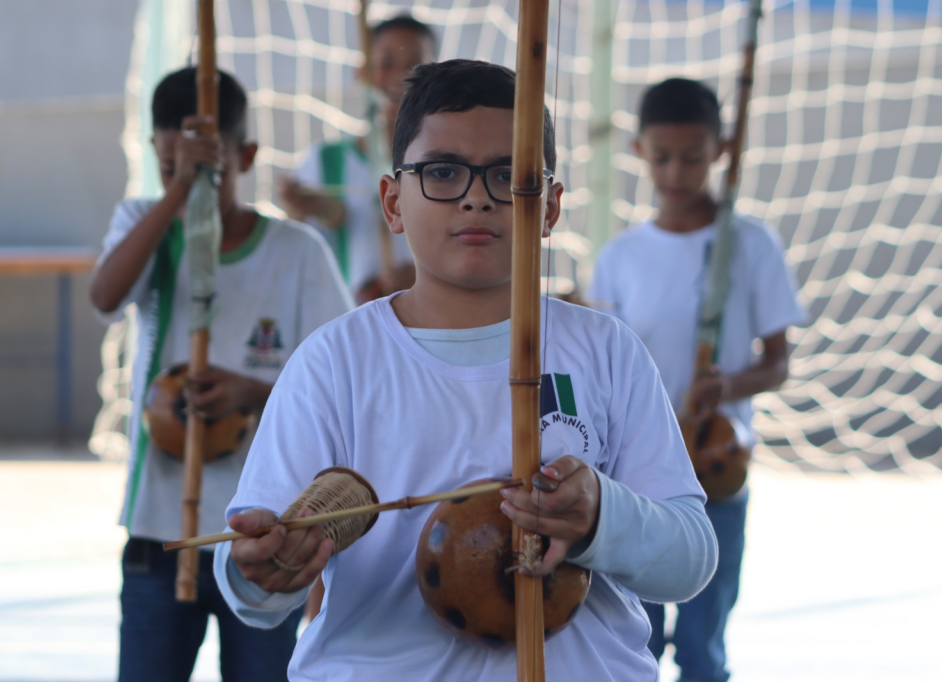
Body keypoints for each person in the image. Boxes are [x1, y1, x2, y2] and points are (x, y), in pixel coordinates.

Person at [213, 59, 718, 681]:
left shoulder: (606, 351)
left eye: (510, 174)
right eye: (443, 171)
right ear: (393, 202)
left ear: (551, 207)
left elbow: (691, 560)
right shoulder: (334, 361)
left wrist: (601, 517)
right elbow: (254, 592)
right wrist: (262, 570)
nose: (478, 195)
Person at [89, 66, 353, 682]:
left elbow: (338, 381)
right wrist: (178, 193)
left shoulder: (297, 253)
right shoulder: (144, 224)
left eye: (208, 166)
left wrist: (254, 392)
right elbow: (104, 297)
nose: (189, 179)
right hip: (161, 529)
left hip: (266, 536)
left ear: (248, 156)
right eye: (170, 163)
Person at [588, 77, 805, 682]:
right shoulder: (621, 256)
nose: (676, 172)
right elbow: (603, 366)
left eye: (692, 156)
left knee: (705, 638)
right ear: (638, 150)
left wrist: (730, 386)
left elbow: (778, 361)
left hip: (716, 462)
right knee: (638, 632)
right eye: (661, 157)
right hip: (637, 467)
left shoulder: (750, 244)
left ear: (722, 150)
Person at [279, 14, 437, 304]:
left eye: (415, 67)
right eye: (386, 64)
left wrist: (424, 280)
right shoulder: (324, 162)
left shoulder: (448, 166)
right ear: (362, 74)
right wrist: (300, 210)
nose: (401, 77)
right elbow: (294, 257)